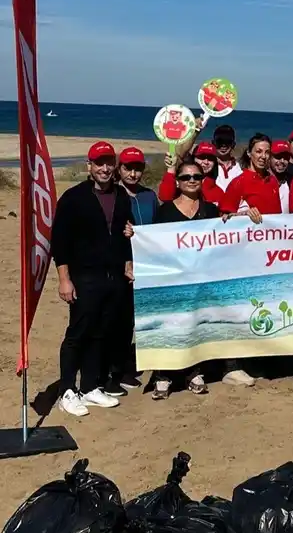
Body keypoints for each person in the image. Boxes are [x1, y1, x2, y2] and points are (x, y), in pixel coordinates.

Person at [52, 141, 134, 416]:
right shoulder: (73, 198)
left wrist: (129, 243)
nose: (105, 168)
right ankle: (67, 390)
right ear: (89, 166)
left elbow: (124, 233)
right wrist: (65, 278)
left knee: (101, 333)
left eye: (109, 162)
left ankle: (89, 387)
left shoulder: (121, 196)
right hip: (84, 277)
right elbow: (59, 242)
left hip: (113, 278)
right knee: (78, 333)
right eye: (99, 163)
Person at [149, 160, 222, 399]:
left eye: (196, 177)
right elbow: (152, 243)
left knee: (196, 323)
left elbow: (222, 240)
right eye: (186, 177)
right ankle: (163, 374)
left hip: (201, 279)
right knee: (169, 324)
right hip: (172, 279)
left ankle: (193, 372)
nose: (191, 181)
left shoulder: (211, 210)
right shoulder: (165, 211)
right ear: (178, 182)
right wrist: (134, 235)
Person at [105, 146, 157, 395]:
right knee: (118, 321)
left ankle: (127, 367)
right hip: (120, 267)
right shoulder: (111, 195)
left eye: (138, 168)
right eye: (128, 168)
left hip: (147, 266)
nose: (133, 173)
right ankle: (113, 371)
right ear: (119, 168)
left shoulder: (149, 196)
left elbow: (158, 230)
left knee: (137, 320)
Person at [220, 133, 281, 221]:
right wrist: (244, 214)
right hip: (251, 233)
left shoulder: (273, 181)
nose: (263, 156)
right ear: (249, 153)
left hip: (272, 233)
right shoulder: (239, 182)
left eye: (267, 152)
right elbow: (224, 217)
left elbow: (279, 217)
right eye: (258, 151)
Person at [158, 141, 225, 206]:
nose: (206, 162)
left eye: (210, 159)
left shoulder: (219, 192)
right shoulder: (182, 185)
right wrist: (171, 169)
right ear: (193, 159)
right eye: (201, 157)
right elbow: (165, 197)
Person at [212, 125, 242, 190]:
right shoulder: (208, 166)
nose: (223, 145)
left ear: (233, 144)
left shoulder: (241, 167)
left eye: (228, 142)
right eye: (219, 141)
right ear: (213, 143)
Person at [270, 140, 293, 213]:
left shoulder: (291, 182)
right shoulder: (259, 180)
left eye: (286, 158)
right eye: (278, 157)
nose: (282, 161)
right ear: (269, 157)